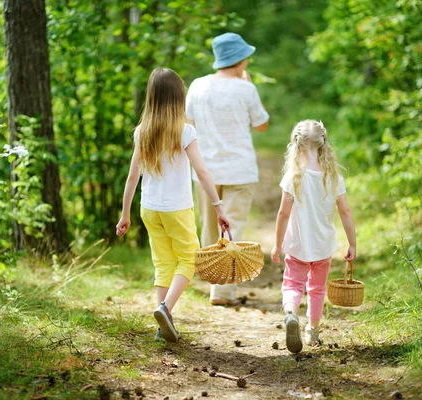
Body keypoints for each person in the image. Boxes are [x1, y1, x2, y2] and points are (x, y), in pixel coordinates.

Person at [116, 67, 231, 343]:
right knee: (189, 259)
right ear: (178, 98)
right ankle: (165, 309)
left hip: (149, 209)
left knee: (164, 262)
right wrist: (218, 207)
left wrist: (124, 215)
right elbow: (202, 172)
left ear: (152, 97)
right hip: (176, 209)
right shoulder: (185, 131)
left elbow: (133, 176)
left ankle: (162, 325)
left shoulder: (142, 131)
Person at [185, 32, 270, 305]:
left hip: (205, 171)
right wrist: (249, 85)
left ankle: (215, 284)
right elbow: (262, 124)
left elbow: (188, 124)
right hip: (239, 171)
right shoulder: (246, 88)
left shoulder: (197, 86)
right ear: (241, 60)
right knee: (232, 229)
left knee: (210, 231)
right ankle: (223, 291)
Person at [270, 120, 356, 353]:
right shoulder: (334, 178)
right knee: (317, 289)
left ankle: (290, 315)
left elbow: (283, 213)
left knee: (292, 284)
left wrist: (278, 244)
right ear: (324, 145)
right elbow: (345, 211)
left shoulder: (293, 177)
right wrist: (352, 243)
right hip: (322, 247)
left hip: (297, 245)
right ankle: (313, 331)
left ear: (296, 147)